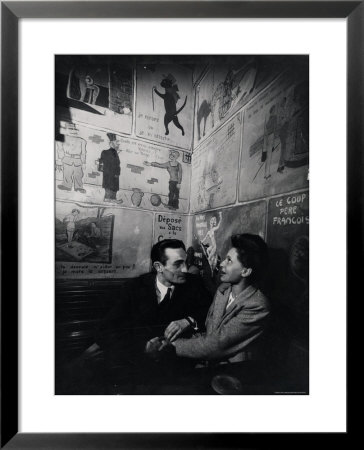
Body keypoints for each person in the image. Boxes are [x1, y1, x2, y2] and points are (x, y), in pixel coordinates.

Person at [149, 234, 271, 381]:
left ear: (245, 271)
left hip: (238, 375)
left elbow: (217, 344)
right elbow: (209, 332)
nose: (221, 264)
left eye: (229, 261)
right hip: (210, 367)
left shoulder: (257, 305)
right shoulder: (223, 291)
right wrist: (164, 340)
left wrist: (171, 345)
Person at [95, 239, 212, 390]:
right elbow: (104, 331)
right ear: (158, 266)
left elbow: (210, 312)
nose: (184, 269)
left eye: (186, 262)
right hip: (137, 364)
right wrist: (143, 347)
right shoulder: (133, 288)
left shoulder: (194, 283)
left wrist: (189, 321)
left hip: (178, 362)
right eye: (177, 264)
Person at [98, 133, 123, 203]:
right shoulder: (108, 152)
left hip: (113, 174)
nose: (118, 145)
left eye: (117, 143)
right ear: (111, 144)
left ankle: (113, 199)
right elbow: (114, 163)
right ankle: (108, 198)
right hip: (110, 173)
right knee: (110, 185)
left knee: (113, 186)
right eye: (116, 143)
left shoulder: (113, 152)